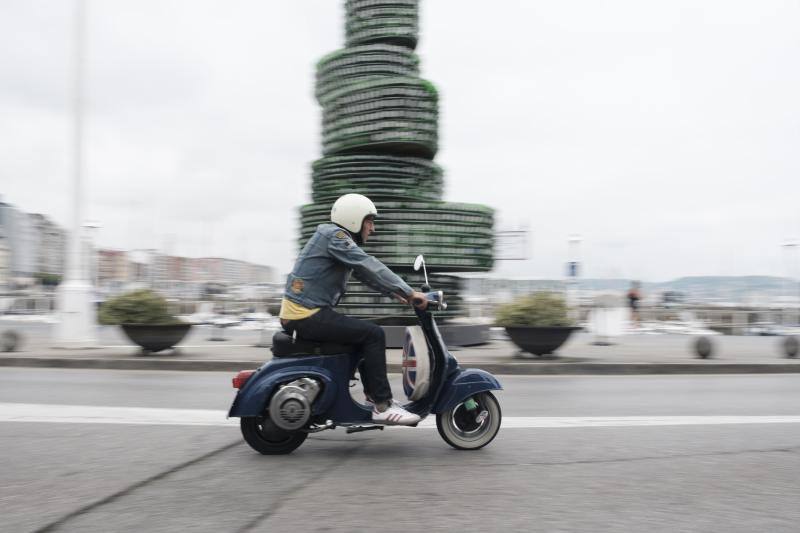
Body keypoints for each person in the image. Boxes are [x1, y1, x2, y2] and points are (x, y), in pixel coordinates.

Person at [278, 193, 428, 426]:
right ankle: (382, 406)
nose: (373, 228)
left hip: (304, 313)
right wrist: (409, 292)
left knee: (363, 335)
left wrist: (399, 295)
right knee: (373, 334)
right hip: (305, 314)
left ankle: (375, 397)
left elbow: (366, 275)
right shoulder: (336, 236)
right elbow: (368, 264)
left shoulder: (333, 239)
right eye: (369, 221)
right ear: (354, 220)